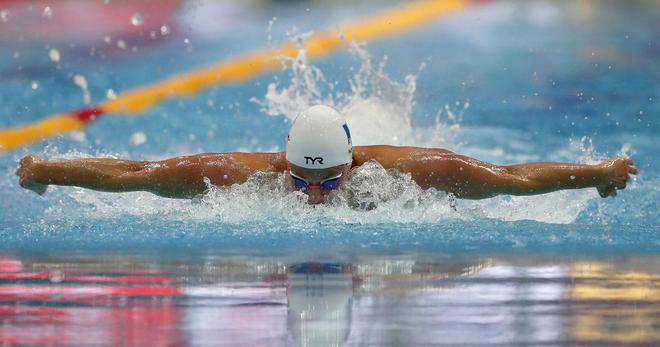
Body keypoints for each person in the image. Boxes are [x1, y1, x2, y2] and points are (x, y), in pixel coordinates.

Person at [16, 105, 637, 205]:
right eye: (301, 183)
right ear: (282, 163)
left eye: (329, 184)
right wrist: (44, 169)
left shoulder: (410, 174)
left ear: (353, 166)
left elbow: (513, 179)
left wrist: (600, 174)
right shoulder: (243, 177)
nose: (314, 196)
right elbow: (137, 176)